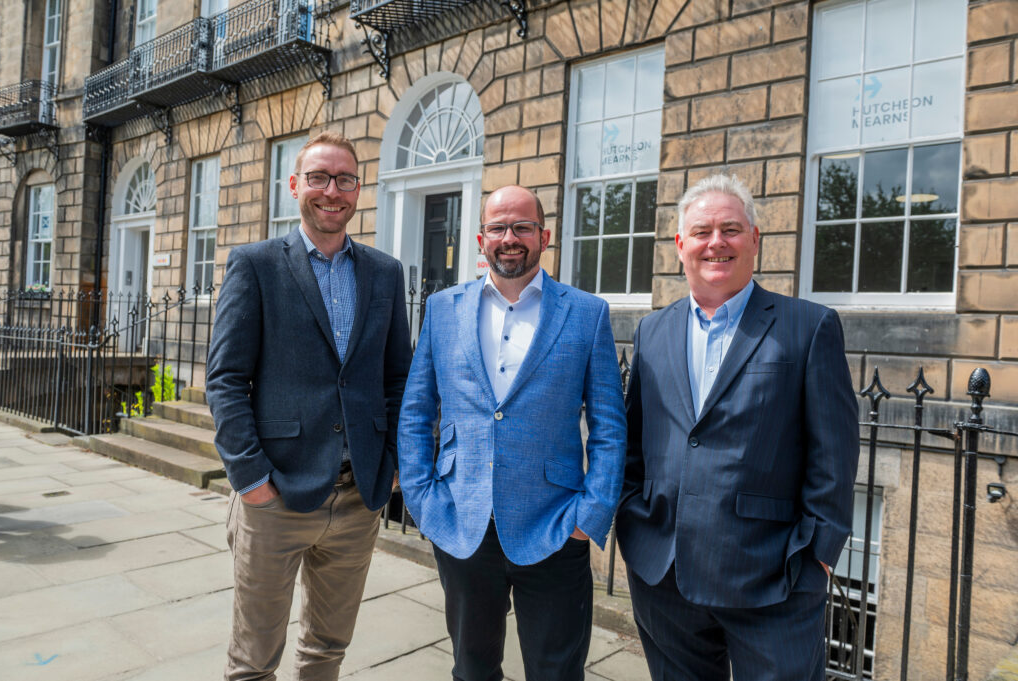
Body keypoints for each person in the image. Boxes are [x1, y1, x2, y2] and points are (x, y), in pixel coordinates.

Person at [615, 174, 859, 681]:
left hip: (772, 579)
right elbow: (635, 438)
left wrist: (818, 560)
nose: (716, 242)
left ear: (755, 240)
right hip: (665, 573)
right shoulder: (653, 329)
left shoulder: (809, 326)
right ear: (680, 245)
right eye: (701, 231)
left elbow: (833, 453)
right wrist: (631, 519)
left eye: (730, 229)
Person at [397, 185, 626, 681]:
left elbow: (610, 426)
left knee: (557, 672)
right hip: (462, 524)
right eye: (499, 228)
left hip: (556, 525)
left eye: (522, 227)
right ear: (481, 238)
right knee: (472, 670)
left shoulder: (586, 313)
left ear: (543, 236)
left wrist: (592, 512)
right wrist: (421, 498)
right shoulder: (442, 309)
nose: (510, 238)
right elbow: (417, 409)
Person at [206, 131, 412, 681]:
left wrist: (389, 465)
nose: (332, 190)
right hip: (276, 494)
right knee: (253, 661)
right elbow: (225, 379)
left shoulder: (385, 273)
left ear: (358, 190)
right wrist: (250, 477)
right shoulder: (255, 264)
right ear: (294, 185)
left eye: (345, 179)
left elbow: (398, 379)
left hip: (357, 498)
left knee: (326, 650)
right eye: (319, 177)